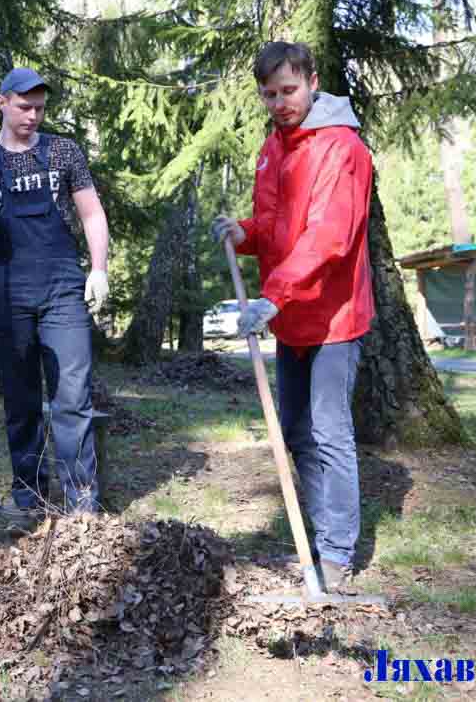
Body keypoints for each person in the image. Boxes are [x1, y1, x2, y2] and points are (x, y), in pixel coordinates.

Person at [210, 42, 375, 591]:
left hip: (332, 316)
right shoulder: (272, 148)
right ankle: (314, 530)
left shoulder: (342, 149)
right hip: (288, 315)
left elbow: (328, 237)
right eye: (269, 93)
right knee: (297, 432)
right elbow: (275, 224)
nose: (280, 103)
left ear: (313, 82)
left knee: (329, 432)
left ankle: (335, 553)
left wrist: (274, 296)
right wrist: (245, 233)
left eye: (289, 90)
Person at [0, 67, 111, 515]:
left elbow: (92, 214)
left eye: (39, 108)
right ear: (2, 102)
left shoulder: (64, 152)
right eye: (24, 107)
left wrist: (98, 268)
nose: (33, 116)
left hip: (62, 285)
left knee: (72, 395)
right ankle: (30, 497)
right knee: (20, 399)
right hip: (7, 288)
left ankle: (82, 499)